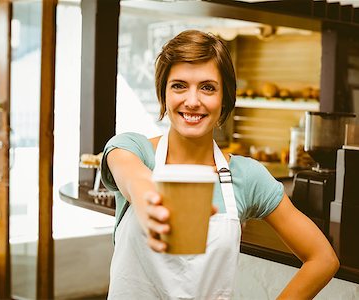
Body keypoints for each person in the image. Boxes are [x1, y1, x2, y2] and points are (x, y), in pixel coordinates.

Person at [101, 29, 339, 299]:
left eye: (207, 87)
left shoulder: (246, 177)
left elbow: (322, 258)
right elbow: (132, 177)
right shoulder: (132, 149)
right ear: (163, 93)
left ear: (224, 98)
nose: (192, 101)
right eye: (179, 85)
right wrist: (147, 198)